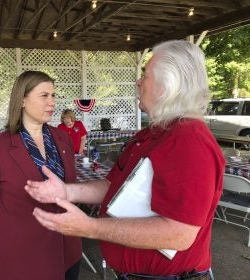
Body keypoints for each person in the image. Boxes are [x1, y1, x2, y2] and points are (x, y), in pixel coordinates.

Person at [25, 40, 225, 280]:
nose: (138, 81)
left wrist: (89, 227)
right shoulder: (153, 133)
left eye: (145, 74)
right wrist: (67, 192)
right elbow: (114, 186)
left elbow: (178, 233)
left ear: (167, 86)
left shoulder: (188, 140)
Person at [0, 71, 82, 280]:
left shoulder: (62, 139)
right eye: (44, 96)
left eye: (53, 95)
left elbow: (70, 186)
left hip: (67, 250)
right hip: (24, 256)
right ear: (22, 99)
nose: (52, 102)